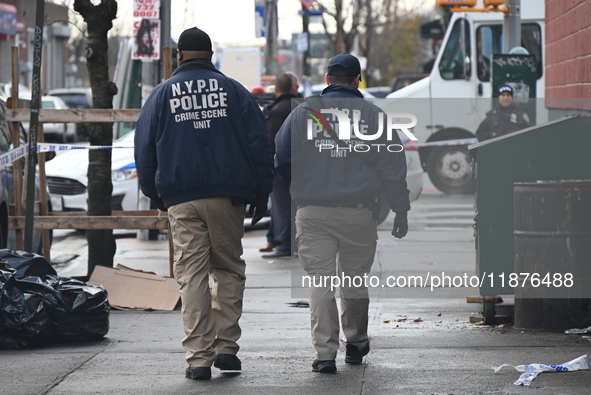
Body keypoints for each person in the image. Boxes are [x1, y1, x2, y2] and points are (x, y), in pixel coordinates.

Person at [134, 27, 273, 381]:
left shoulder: (162, 94)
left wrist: (156, 194)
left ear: (179, 54)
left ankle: (198, 357)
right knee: (227, 269)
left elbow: (144, 149)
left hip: (181, 197)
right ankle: (227, 347)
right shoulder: (234, 91)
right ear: (211, 54)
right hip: (228, 195)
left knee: (191, 275)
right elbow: (260, 143)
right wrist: (261, 192)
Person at [275, 54, 411, 373]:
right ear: (357, 80)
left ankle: (324, 355)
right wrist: (401, 211)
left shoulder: (303, 113)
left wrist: (307, 181)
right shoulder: (374, 115)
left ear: (327, 79)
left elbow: (281, 160)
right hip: (359, 212)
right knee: (354, 281)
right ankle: (356, 342)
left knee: (320, 283)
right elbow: (394, 167)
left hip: (312, 211)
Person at [261, 72, 299, 259]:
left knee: (282, 206)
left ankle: (284, 245)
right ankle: (290, 242)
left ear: (276, 89)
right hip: (303, 165)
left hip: (281, 167)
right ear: (295, 88)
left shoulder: (276, 111)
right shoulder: (302, 107)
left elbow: (271, 142)